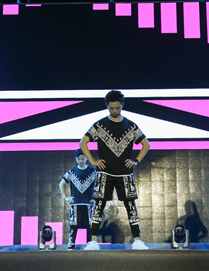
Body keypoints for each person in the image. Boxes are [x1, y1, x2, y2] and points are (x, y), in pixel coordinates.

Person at [79, 89, 150, 250]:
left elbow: (146, 144)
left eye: (117, 107)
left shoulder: (131, 126)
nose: (115, 111)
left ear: (122, 105)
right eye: (111, 108)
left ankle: (137, 240)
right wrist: (92, 161)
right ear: (107, 106)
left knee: (130, 205)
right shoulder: (100, 125)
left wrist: (136, 161)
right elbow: (82, 142)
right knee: (98, 205)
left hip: (125, 173)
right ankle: (93, 241)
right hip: (104, 172)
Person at [59, 149, 97, 250]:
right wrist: (66, 197)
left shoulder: (93, 172)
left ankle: (90, 244)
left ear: (86, 158)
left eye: (83, 158)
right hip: (75, 204)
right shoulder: (72, 172)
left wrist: (96, 197)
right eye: (79, 159)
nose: (81, 161)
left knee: (90, 226)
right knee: (73, 225)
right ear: (76, 159)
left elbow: (101, 185)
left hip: (89, 204)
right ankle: (71, 245)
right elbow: (61, 184)